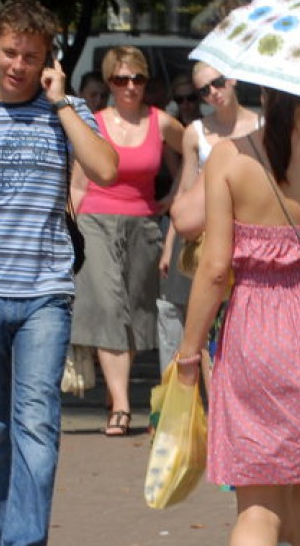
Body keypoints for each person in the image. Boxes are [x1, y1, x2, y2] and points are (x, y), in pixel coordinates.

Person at [174, 86, 300, 546]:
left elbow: (213, 269)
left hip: (254, 333)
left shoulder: (227, 159)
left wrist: (189, 351)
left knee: (257, 509)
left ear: (264, 91)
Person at [0, 0, 117, 545]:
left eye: (31, 56)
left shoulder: (68, 111)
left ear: (48, 62)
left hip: (44, 297)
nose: (18, 65)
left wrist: (59, 105)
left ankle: (24, 542)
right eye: (11, 52)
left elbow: (105, 168)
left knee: (37, 426)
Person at [70, 46, 184, 436]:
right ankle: (120, 404)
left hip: (143, 224)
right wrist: (68, 230)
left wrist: (175, 198)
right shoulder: (94, 123)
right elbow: (78, 182)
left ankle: (115, 388)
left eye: (137, 78)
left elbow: (197, 151)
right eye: (121, 79)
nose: (130, 86)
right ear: (109, 83)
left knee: (133, 309)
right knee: (106, 304)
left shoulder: (161, 122)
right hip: (95, 221)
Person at [159, 62, 260, 375]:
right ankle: (217, 410)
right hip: (207, 241)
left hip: (252, 238)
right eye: (203, 90)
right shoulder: (195, 133)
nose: (212, 93)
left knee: (246, 324)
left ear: (232, 79)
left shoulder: (261, 125)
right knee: (206, 325)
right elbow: (184, 195)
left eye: (217, 84)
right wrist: (169, 247)